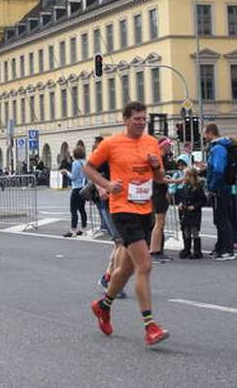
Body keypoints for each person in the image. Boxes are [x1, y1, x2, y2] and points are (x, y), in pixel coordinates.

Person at [85, 101, 169, 347]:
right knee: (145, 265)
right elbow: (89, 168)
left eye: (144, 119)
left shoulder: (151, 142)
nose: (142, 123)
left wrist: (155, 166)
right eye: (137, 119)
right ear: (125, 119)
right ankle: (150, 326)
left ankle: (103, 305)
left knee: (127, 268)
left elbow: (160, 178)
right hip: (122, 209)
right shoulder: (111, 143)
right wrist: (107, 185)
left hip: (144, 208)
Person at [205, 124, 236, 261]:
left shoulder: (217, 149)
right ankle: (220, 247)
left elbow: (218, 170)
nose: (204, 136)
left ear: (210, 133)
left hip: (220, 189)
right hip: (222, 188)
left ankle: (227, 250)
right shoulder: (219, 147)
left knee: (222, 219)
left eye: (205, 133)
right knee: (220, 219)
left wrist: (211, 186)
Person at [148, 137, 179, 263]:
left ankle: (158, 250)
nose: (170, 148)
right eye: (168, 145)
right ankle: (154, 251)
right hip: (157, 192)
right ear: (163, 146)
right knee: (159, 223)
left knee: (160, 223)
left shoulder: (161, 158)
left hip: (159, 191)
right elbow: (158, 179)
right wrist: (177, 181)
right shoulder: (158, 158)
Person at [173, 166, 205, 259]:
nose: (184, 177)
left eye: (186, 175)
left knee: (194, 231)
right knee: (186, 230)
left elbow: (203, 200)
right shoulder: (185, 187)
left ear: (191, 177)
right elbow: (182, 198)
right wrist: (181, 204)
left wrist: (195, 206)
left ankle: (197, 251)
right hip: (186, 212)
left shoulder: (198, 188)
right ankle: (187, 249)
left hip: (194, 213)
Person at [62, 143, 88, 238]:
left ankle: (73, 229)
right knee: (82, 209)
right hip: (84, 188)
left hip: (76, 188)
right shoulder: (85, 162)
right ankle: (83, 229)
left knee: (73, 209)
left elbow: (73, 177)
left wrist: (66, 172)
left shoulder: (76, 163)